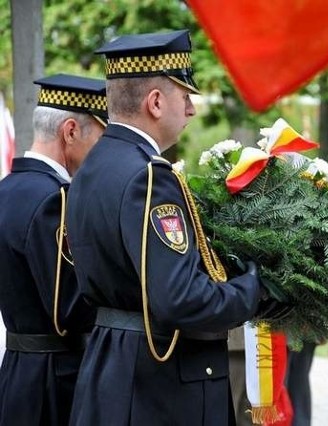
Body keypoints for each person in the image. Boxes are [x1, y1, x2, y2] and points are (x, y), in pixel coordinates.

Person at [65, 30, 280, 425]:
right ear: (156, 102)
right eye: (186, 97)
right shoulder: (150, 177)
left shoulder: (90, 169)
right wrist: (256, 286)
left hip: (110, 368)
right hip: (159, 386)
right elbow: (182, 299)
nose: (192, 110)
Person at [0, 74, 108, 425]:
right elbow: (72, 307)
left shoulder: (7, 190)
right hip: (56, 382)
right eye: (100, 138)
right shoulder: (55, 200)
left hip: (17, 372)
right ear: (71, 131)